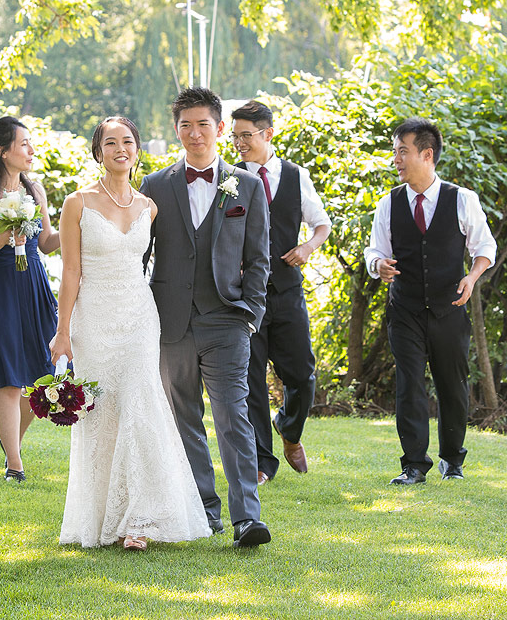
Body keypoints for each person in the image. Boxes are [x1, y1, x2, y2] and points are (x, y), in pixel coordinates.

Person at [52, 117, 212, 550]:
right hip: (94, 318)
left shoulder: (149, 206)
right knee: (103, 413)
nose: (120, 148)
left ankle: (139, 521)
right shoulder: (77, 203)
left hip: (140, 317)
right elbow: (70, 272)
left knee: (141, 405)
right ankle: (105, 514)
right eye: (110, 142)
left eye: (128, 141)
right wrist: (62, 331)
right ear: (98, 151)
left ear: (137, 149)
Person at [140, 87, 273, 548]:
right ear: (175, 131)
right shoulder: (155, 185)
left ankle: (247, 519)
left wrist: (250, 314)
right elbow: (140, 253)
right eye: (185, 125)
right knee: (185, 420)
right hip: (171, 322)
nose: (194, 133)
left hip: (227, 320)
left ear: (219, 129)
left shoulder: (247, 186)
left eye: (202, 124)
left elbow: (259, 259)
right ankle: (203, 510)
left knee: (234, 416)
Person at [364, 118, 497, 485]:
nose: (396, 159)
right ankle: (413, 466)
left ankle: (452, 461)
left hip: (449, 308)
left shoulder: (462, 199)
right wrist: (379, 265)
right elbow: (374, 250)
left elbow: (485, 247)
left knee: (452, 385)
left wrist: (471, 277)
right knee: (409, 384)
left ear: (427, 154)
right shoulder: (388, 203)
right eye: (395, 152)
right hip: (404, 309)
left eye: (402, 151)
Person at [231, 101, 331, 484]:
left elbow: (321, 225)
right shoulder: (230, 176)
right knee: (251, 380)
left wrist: (307, 247)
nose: (239, 142)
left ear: (267, 134)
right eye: (236, 135)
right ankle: (261, 463)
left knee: (302, 375)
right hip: (243, 296)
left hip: (287, 291)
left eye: (246, 135)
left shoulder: (295, 176)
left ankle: (290, 430)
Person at [0, 116, 61, 482]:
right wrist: (4, 237)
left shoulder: (36, 192)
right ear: (2, 151)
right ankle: (15, 465)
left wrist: (78, 225)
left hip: (34, 283)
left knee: (41, 375)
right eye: (23, 144)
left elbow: (47, 243)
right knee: (8, 377)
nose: (31, 151)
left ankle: (11, 443)